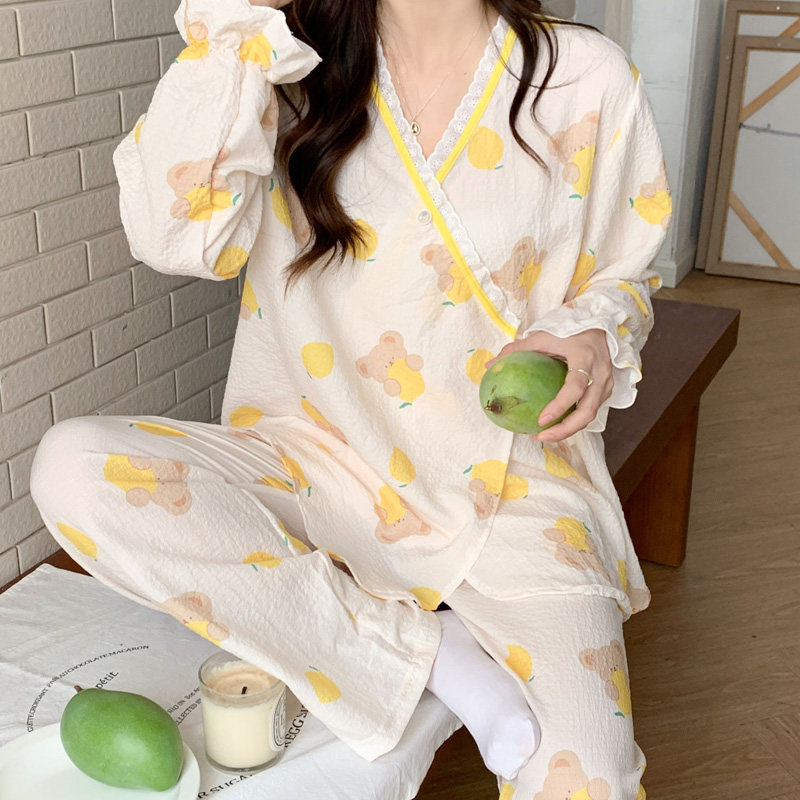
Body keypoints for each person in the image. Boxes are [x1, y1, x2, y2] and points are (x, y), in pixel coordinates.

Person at [30, 0, 671, 795]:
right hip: (314, 459)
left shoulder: (584, 77)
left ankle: (394, 647)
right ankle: (419, 655)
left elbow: (623, 275)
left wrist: (592, 337)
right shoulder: (281, 63)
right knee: (73, 467)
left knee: (587, 780)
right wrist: (241, 28)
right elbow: (175, 239)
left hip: (512, 484)